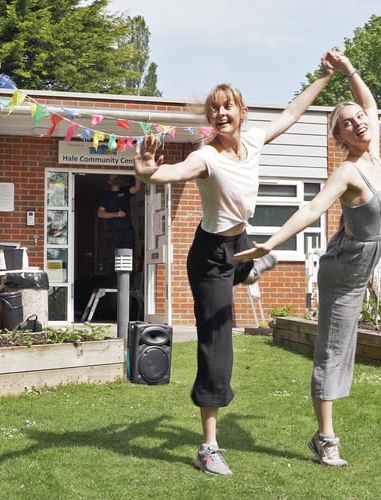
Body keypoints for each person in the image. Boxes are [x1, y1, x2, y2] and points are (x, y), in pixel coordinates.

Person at [133, 51, 336, 476]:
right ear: (211, 118)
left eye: (228, 106)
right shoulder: (208, 156)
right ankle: (208, 447)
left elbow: (293, 113)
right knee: (217, 347)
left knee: (245, 255)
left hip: (239, 240)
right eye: (215, 108)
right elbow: (178, 172)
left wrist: (324, 78)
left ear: (241, 112)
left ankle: (249, 268)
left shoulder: (256, 140)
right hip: (209, 256)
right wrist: (150, 172)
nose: (221, 112)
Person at [235, 48, 381, 468]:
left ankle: (260, 268)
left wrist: (348, 71)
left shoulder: (377, 156)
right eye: (347, 123)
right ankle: (325, 438)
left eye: (358, 118)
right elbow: (310, 210)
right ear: (340, 138)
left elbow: (371, 104)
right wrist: (270, 243)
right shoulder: (348, 172)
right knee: (333, 349)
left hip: (361, 266)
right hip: (344, 272)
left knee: (345, 347)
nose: (359, 122)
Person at [97, 174, 142, 273]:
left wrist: (137, 176)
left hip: (127, 230)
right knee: (115, 257)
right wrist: (116, 214)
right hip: (113, 232)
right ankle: (116, 282)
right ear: (109, 182)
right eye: (113, 178)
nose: (115, 179)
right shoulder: (106, 196)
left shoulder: (124, 191)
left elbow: (137, 188)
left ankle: (130, 282)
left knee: (129, 256)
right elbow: (100, 214)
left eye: (117, 177)